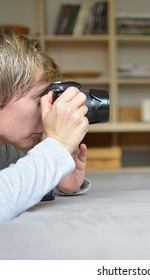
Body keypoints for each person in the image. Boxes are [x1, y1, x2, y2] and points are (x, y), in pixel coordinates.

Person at [0, 28, 90, 222]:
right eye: (39, 98)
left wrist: (60, 181)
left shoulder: (5, 151)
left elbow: (16, 185)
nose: (46, 111)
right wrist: (57, 147)